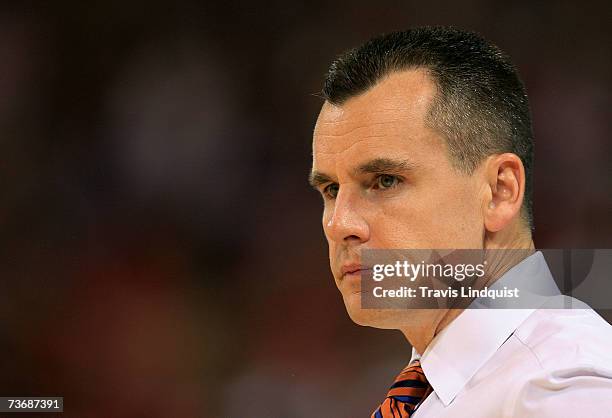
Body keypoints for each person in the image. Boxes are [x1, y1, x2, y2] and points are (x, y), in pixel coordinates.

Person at [309, 26, 612, 417]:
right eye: (331, 189)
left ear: (500, 191)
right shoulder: (449, 384)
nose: (339, 223)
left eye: (385, 181)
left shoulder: (563, 389)